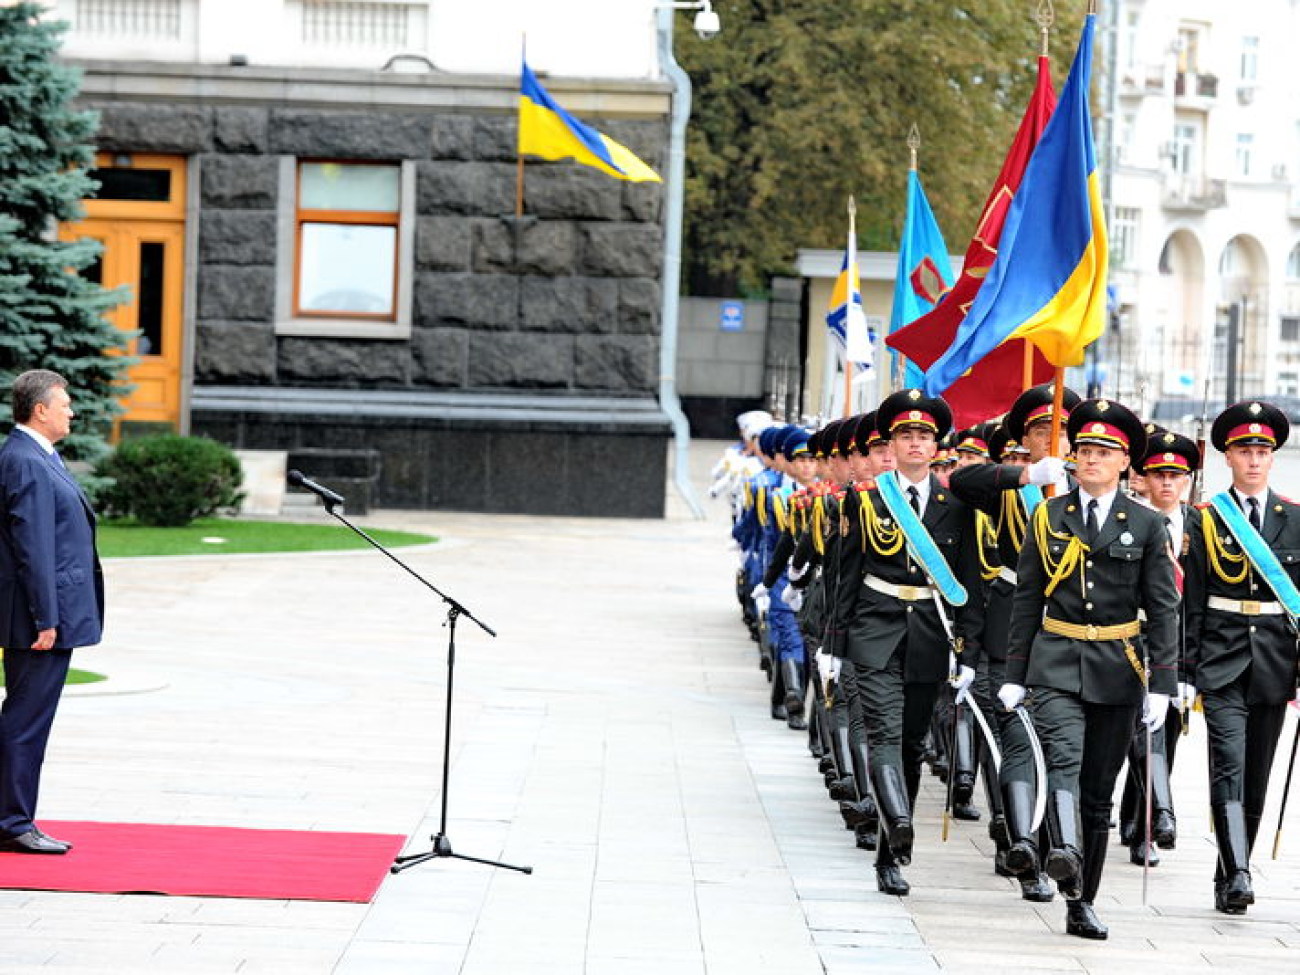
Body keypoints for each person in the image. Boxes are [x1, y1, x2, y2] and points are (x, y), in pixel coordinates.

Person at [999, 399, 1178, 940]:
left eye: (1104, 452)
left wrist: (1164, 685)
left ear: (1126, 463)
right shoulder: (1048, 516)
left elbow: (1164, 607)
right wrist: (1014, 671)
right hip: (1055, 660)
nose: (1091, 459)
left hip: (1118, 667)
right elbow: (1027, 597)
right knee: (1064, 761)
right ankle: (1066, 849)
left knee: (1099, 791)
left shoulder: (1146, 524)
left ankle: (1082, 899)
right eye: (1083, 451)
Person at [828, 389, 985, 897]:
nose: (914, 443)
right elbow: (845, 574)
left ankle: (891, 850)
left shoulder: (955, 503)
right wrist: (834, 645)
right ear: (889, 445)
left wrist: (967, 651)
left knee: (913, 743)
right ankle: (897, 823)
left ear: (936, 446)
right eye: (905, 435)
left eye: (923, 436)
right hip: (875, 632)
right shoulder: (868, 499)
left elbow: (968, 584)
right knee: (883, 731)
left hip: (930, 635)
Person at [1184, 400, 1300, 915]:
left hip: (1275, 663)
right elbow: (1191, 605)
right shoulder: (1206, 520)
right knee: (1227, 767)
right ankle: (1239, 873)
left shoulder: (1294, 519)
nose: (1253, 460)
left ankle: (1229, 868)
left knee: (1256, 777)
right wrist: (1185, 672)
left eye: (1261, 451)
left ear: (1272, 457)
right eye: (1243, 451)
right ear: (1226, 458)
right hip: (1222, 660)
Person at [0, 369, 105, 854]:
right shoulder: (24, 460)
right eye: (64, 404)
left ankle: (14, 817)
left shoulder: (39, 456)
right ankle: (12, 822)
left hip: (45, 613)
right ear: (39, 410)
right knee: (25, 720)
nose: (72, 412)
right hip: (37, 618)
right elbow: (33, 545)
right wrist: (46, 617)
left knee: (27, 718)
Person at [1117, 427, 1199, 868]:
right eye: (1158, 474)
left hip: (1174, 647)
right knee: (1137, 732)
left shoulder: (1202, 526)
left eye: (1176, 475)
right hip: (1131, 640)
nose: (1167, 483)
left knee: (1161, 733)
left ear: (1187, 479)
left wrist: (1189, 670)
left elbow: (1198, 603)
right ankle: (1152, 824)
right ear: (1143, 477)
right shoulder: (1128, 520)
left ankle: (1136, 819)